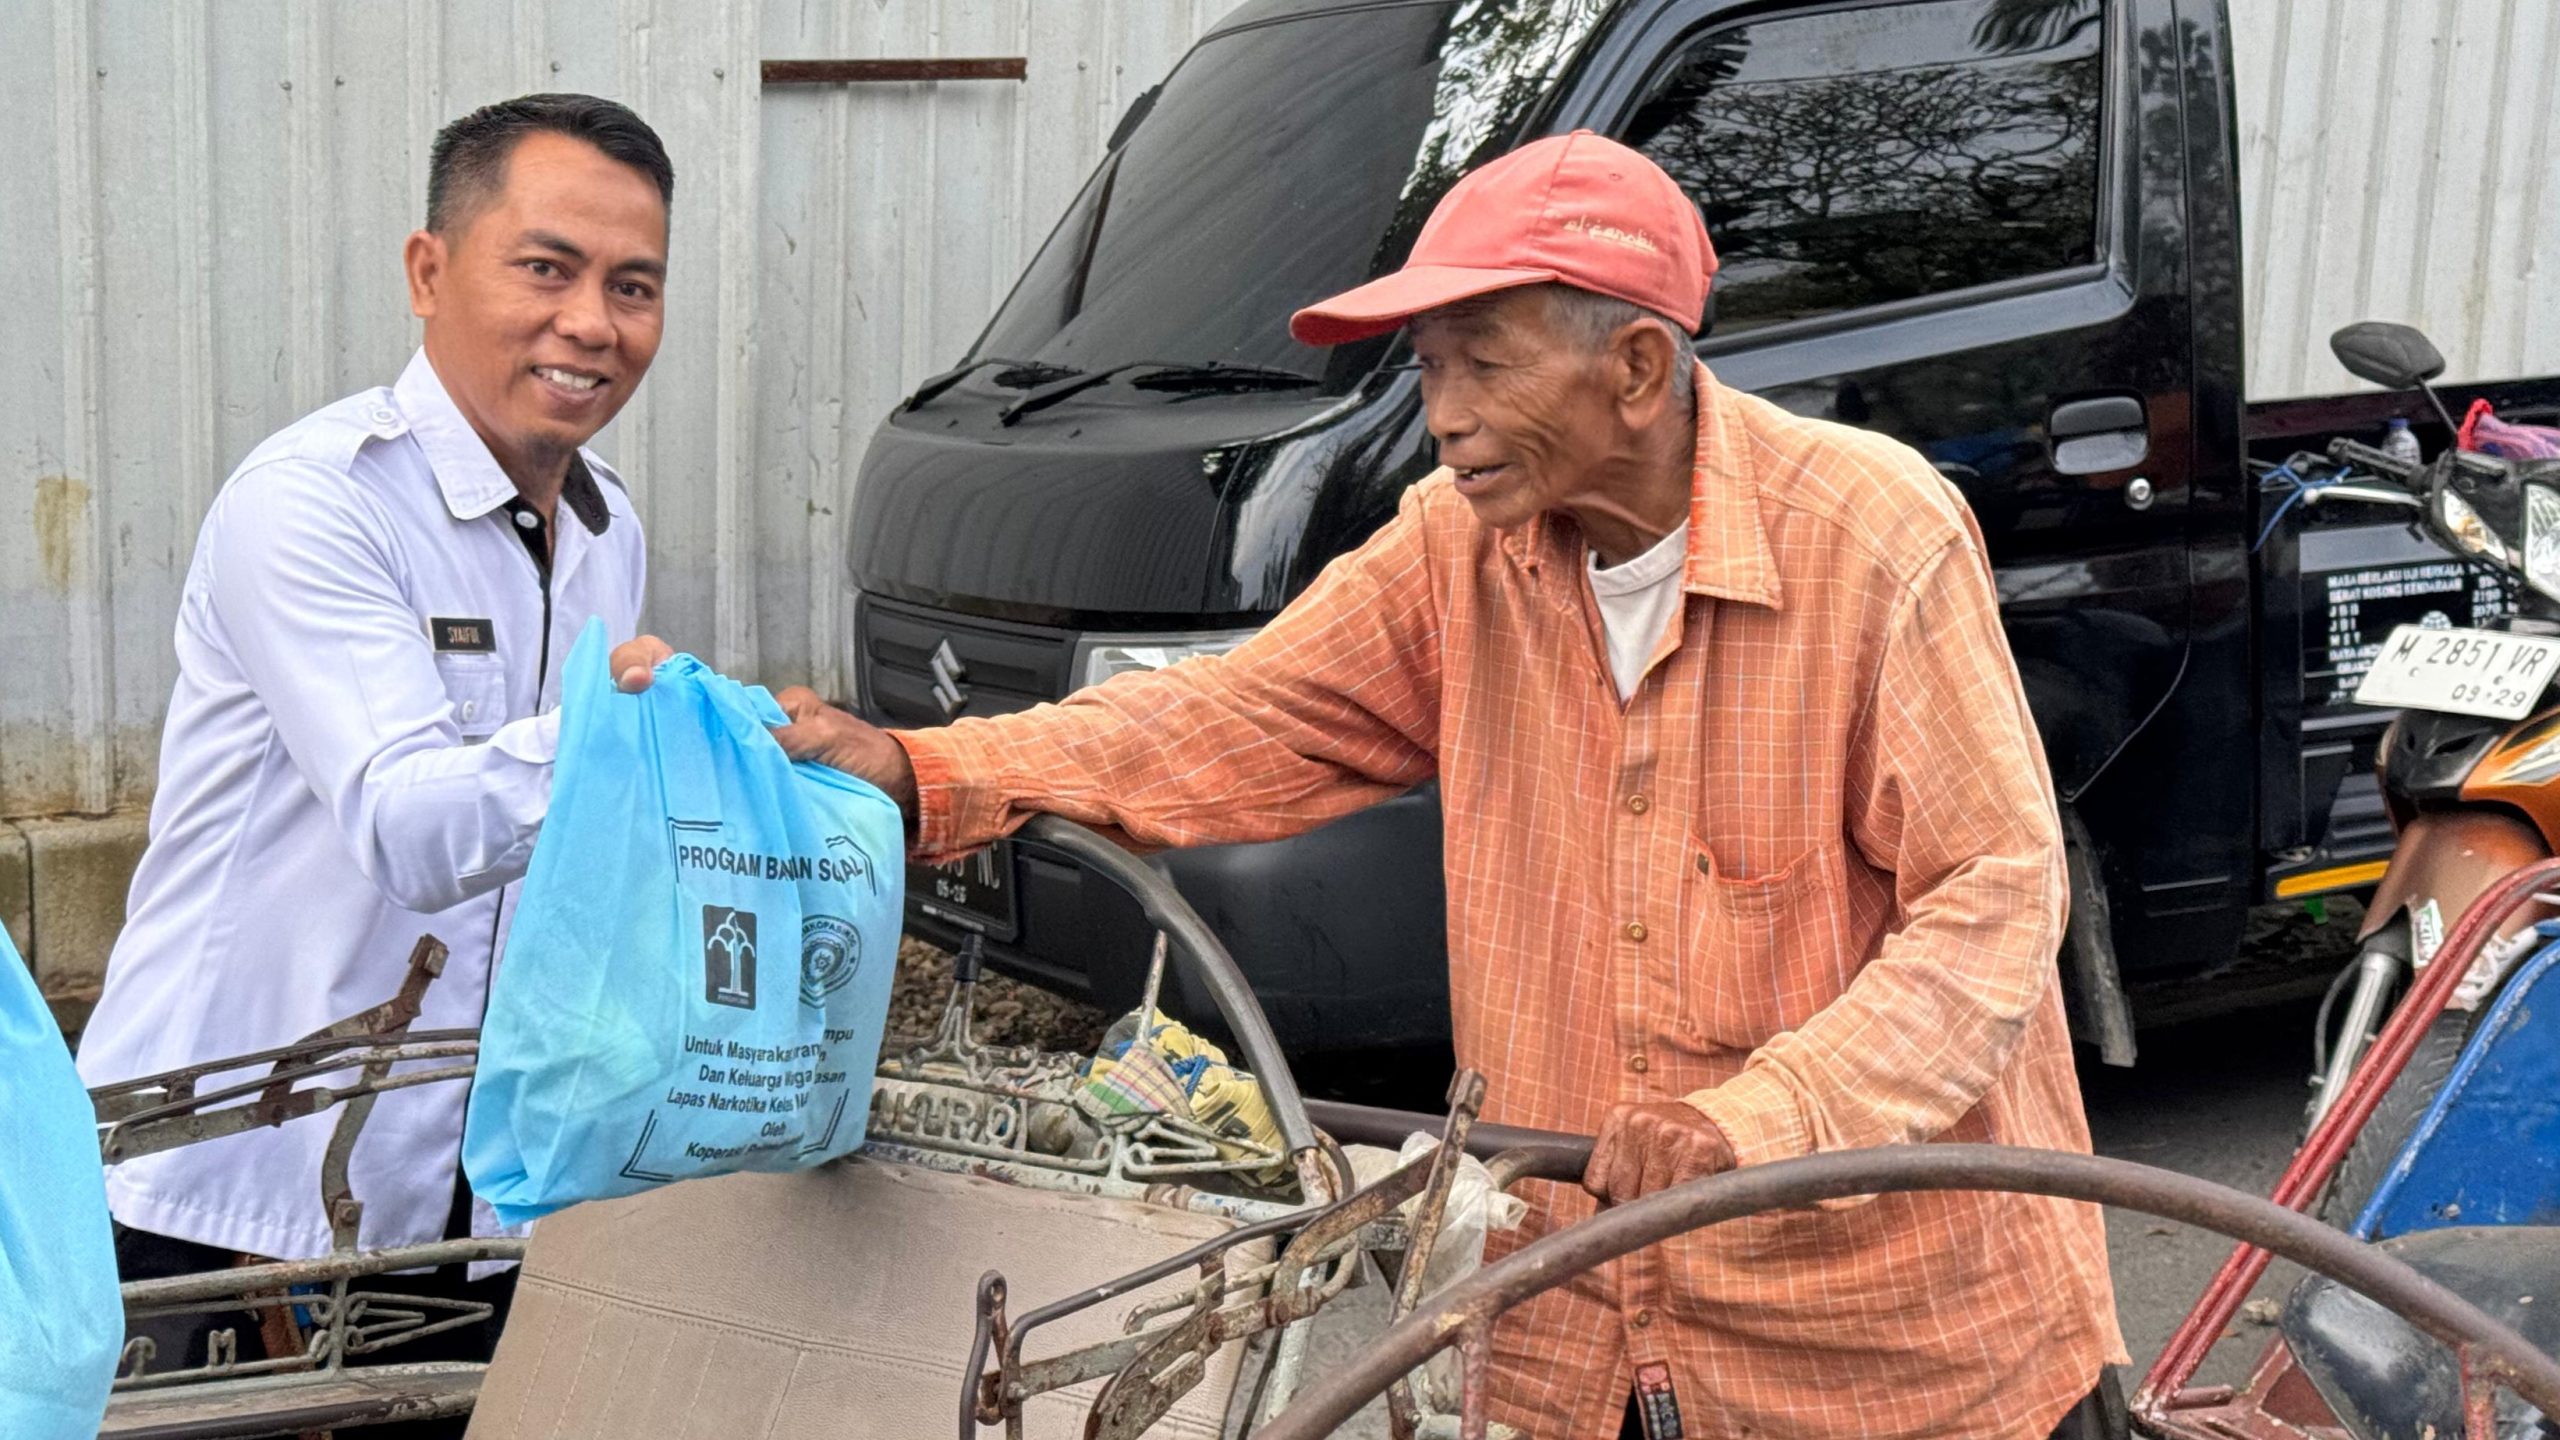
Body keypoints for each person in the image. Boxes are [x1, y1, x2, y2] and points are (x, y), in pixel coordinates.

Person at [636, 129, 2124, 1438]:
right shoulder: (1457, 549)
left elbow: (1995, 899)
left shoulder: (1872, 539)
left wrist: (1769, 1113)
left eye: (1485, 362)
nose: (1444, 412)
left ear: (1636, 368)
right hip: (1576, 1319)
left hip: (1878, 1342)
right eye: (1426, 368)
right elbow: (1236, 716)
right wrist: (928, 766)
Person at [77, 93, 672, 1422]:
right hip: (228, 1179)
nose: (593, 322)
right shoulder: (317, 503)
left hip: (463, 1188)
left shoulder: (602, 526)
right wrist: (640, 733)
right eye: (547, 268)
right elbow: (411, 826)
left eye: (632, 286)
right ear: (428, 272)